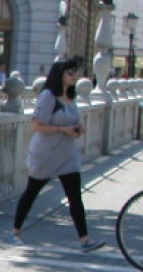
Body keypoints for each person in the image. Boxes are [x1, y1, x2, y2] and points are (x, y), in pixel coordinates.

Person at [8, 57, 104, 252]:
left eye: (75, 73)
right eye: (70, 73)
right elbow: (37, 125)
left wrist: (77, 129)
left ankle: (85, 240)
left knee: (75, 197)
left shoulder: (71, 97)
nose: (74, 76)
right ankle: (15, 231)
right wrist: (63, 130)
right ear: (59, 75)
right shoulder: (48, 96)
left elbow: (72, 121)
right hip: (46, 154)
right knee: (32, 192)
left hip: (67, 154)